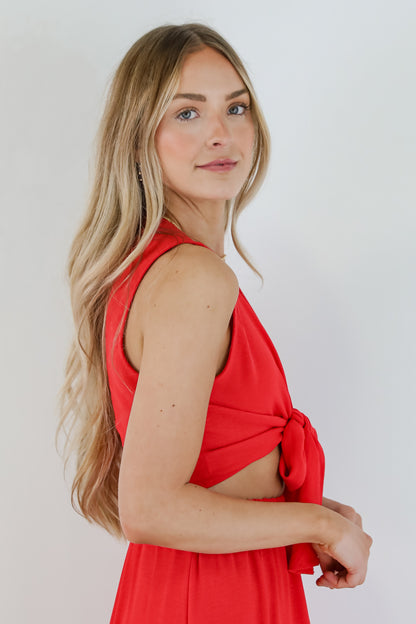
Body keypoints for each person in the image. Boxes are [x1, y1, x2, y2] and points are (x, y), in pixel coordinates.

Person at [57, 22, 372, 624]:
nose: (221, 133)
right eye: (187, 113)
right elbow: (150, 507)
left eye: (236, 107)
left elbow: (212, 475)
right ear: (138, 139)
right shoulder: (193, 279)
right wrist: (316, 523)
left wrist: (314, 517)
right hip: (212, 593)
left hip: (204, 578)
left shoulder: (156, 269)